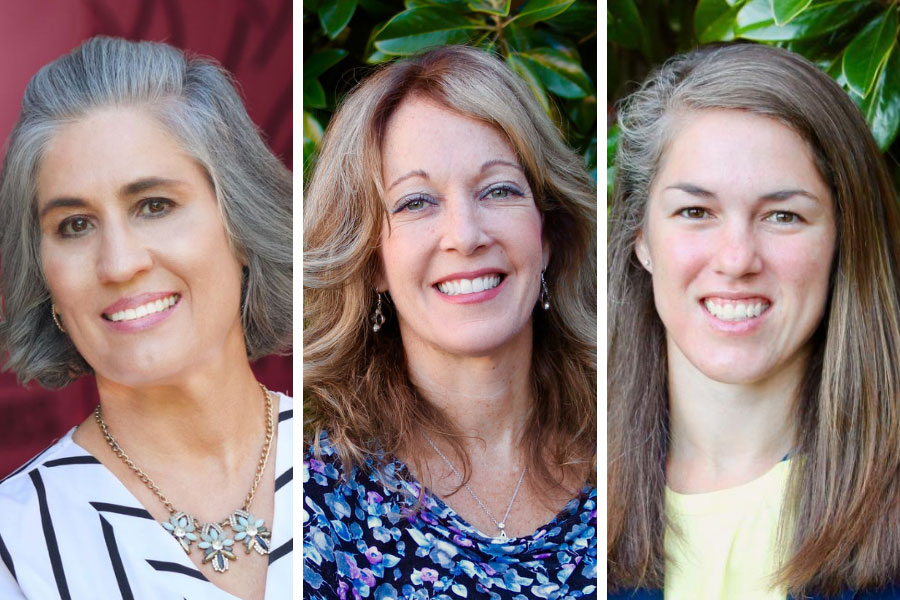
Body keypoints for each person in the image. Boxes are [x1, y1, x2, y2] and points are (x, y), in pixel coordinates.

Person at [0, 37, 292, 600]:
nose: (120, 263)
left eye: (154, 206)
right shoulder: (16, 548)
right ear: (48, 283)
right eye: (75, 225)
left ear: (241, 228)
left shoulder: (355, 451)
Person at [303, 45, 597, 598]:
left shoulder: (627, 453)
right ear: (371, 263)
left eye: (499, 190)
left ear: (549, 233)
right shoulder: (313, 509)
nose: (466, 234)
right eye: (416, 203)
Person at [608, 42, 900, 599]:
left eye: (783, 216)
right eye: (696, 212)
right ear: (641, 237)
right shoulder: (572, 502)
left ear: (843, 239)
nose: (737, 258)